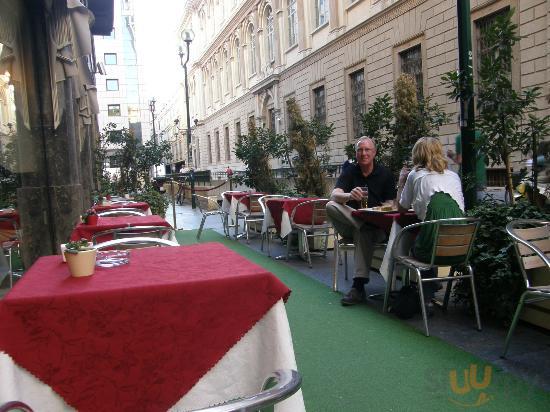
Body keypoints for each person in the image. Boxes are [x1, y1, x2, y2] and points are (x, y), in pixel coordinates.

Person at [397, 137, 465, 314]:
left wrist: (401, 181)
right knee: (432, 236)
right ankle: (432, 286)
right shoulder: (454, 176)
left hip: (431, 250)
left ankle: (426, 298)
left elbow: (402, 209)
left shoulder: (415, 175)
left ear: (416, 155)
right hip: (461, 249)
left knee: (418, 245)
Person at [327, 136, 396, 306]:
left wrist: (379, 210)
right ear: (356, 154)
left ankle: (358, 287)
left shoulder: (385, 174)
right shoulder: (350, 171)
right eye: (360, 150)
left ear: (374, 153)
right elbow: (334, 194)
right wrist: (349, 195)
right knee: (330, 205)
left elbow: (391, 203)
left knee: (363, 231)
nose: (363, 153)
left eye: (367, 150)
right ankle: (362, 222)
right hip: (353, 222)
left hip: (377, 227)